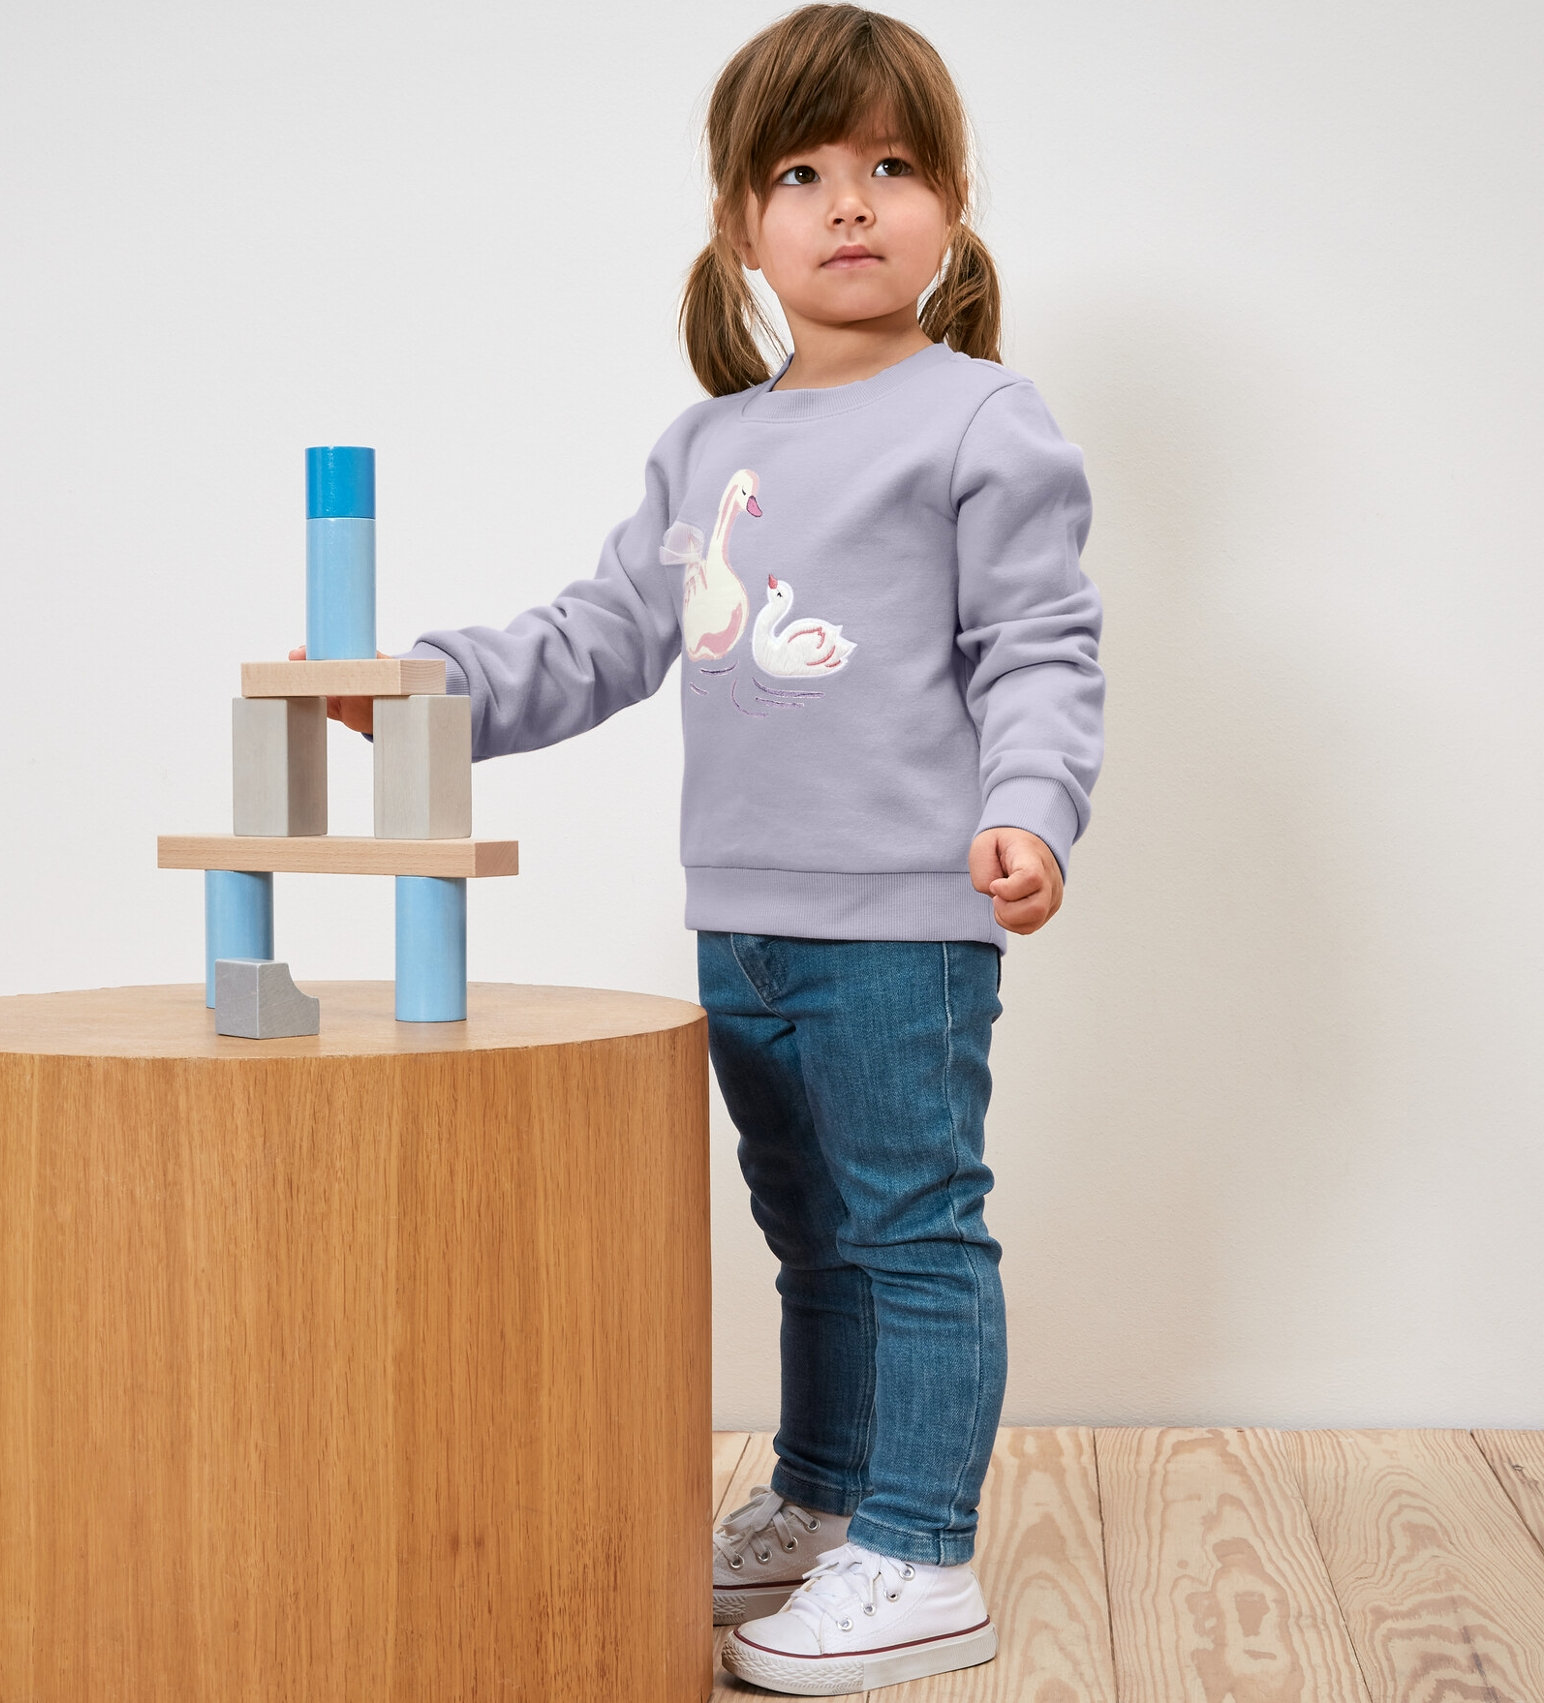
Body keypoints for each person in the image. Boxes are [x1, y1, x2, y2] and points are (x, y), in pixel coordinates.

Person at [310, 5, 1103, 1692]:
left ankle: (922, 1551)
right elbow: (607, 631)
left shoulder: (983, 423)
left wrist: (1029, 808)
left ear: (951, 201)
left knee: (915, 1229)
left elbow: (1038, 647)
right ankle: (821, 1501)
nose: (850, 205)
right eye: (803, 173)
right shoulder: (707, 443)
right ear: (743, 221)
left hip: (901, 922)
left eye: (891, 167)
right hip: (740, 918)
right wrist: (436, 682)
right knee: (809, 1233)